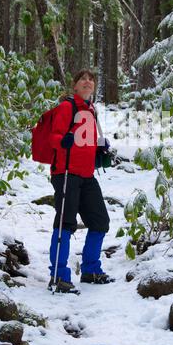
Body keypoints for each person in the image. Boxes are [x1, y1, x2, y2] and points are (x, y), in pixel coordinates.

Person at [47, 69, 114, 293]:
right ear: (75, 86)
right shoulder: (67, 106)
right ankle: (58, 275)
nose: (88, 82)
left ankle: (90, 270)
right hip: (66, 173)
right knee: (65, 223)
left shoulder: (91, 110)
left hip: (87, 175)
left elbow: (84, 141)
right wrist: (62, 140)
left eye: (91, 79)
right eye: (83, 79)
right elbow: (54, 137)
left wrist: (100, 148)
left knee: (100, 221)